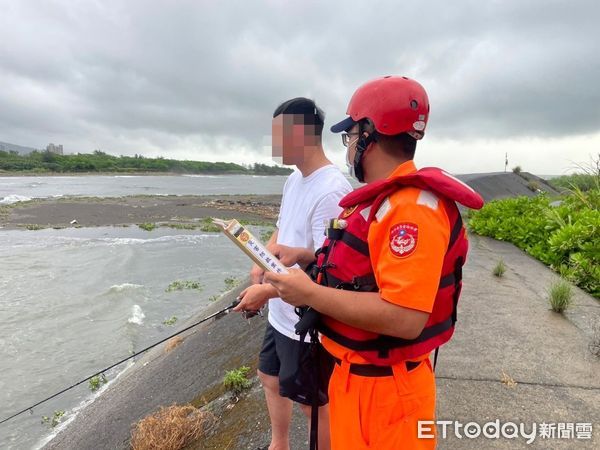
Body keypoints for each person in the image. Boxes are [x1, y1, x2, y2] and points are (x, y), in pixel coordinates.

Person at [264, 76, 483, 449]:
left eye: (349, 136)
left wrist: (311, 293)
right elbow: (360, 271)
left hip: (388, 393)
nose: (348, 147)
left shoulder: (411, 208)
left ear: (368, 133)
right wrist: (306, 258)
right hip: (355, 377)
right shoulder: (380, 202)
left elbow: (405, 316)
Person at [234, 97, 352, 450]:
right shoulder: (294, 180)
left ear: (300, 134)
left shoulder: (332, 190)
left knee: (312, 403)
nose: (274, 145)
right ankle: (279, 444)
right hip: (280, 314)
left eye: (279, 135)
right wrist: (259, 259)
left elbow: (327, 268)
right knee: (268, 376)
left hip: (306, 321)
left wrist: (263, 292)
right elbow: (281, 230)